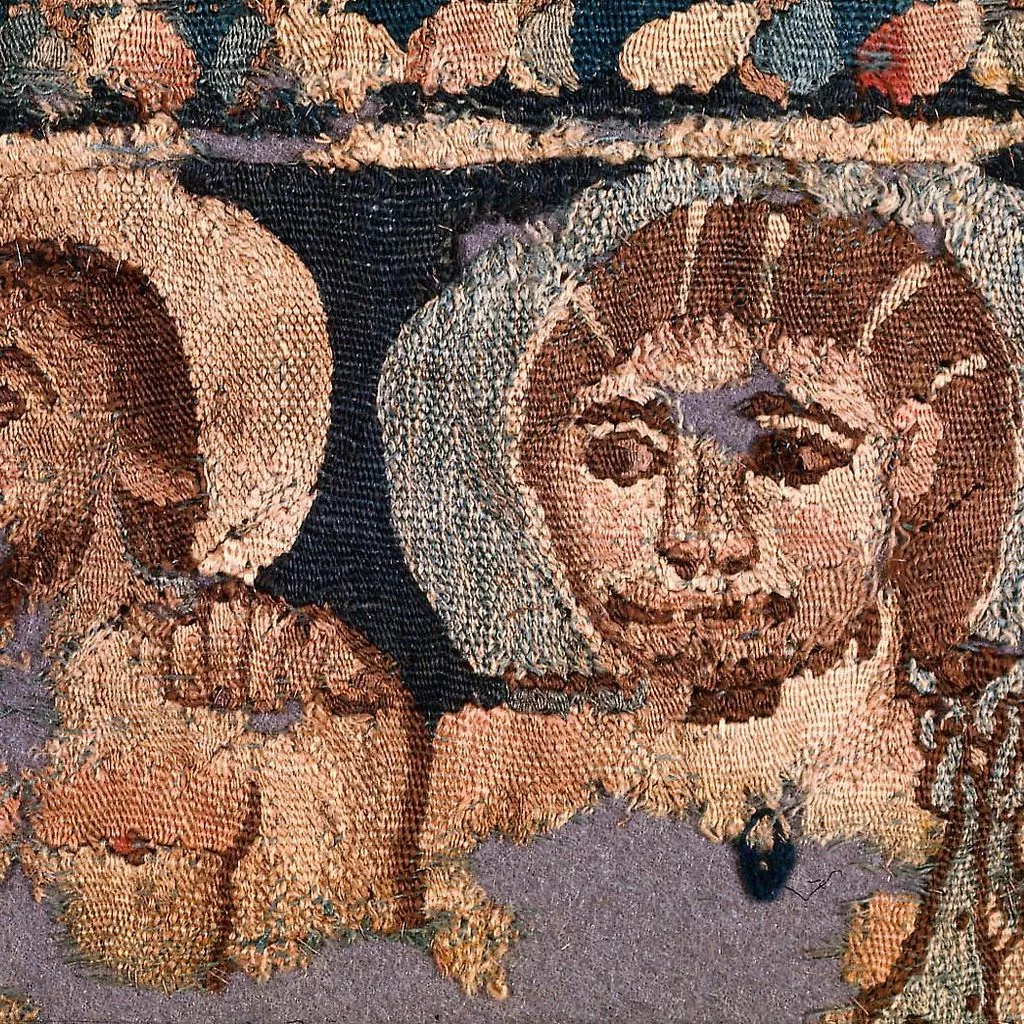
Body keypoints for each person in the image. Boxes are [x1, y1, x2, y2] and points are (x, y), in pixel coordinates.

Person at [379, 183, 1023, 1003]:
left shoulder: (997, 788)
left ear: (917, 470)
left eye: (790, 456)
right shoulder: (474, 794)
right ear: (530, 471)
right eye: (622, 458)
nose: (696, 536)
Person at [0, 169, 430, 992]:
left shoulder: (267, 692)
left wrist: (352, 747)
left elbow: (352, 972)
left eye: (4, 400)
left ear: (145, 446)